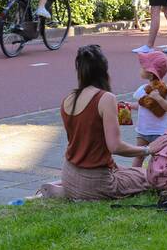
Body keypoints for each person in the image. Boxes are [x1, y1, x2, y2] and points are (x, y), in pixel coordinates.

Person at [34, 45, 151, 201]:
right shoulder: (105, 98)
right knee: (148, 176)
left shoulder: (68, 99)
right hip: (98, 181)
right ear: (104, 70)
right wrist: (147, 150)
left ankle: (63, 188)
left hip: (69, 172)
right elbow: (115, 146)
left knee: (129, 171)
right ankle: (73, 191)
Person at [132, 50, 167, 156]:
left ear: (151, 74)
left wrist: (158, 98)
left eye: (143, 67)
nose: (141, 69)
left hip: (160, 133)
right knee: (138, 156)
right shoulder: (142, 90)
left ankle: (154, 172)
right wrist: (128, 105)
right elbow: (141, 106)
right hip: (143, 131)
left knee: (159, 157)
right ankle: (135, 172)